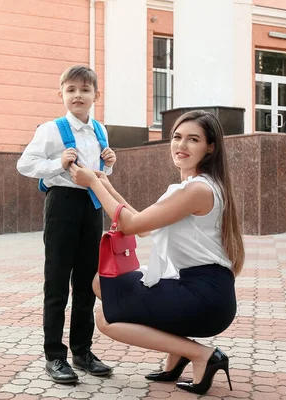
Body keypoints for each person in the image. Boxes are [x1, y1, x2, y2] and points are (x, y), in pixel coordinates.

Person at [68, 110, 245, 395]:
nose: (181, 145)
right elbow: (143, 228)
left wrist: (94, 184)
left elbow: (130, 223)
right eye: (177, 137)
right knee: (102, 282)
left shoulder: (196, 190)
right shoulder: (194, 187)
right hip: (200, 289)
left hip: (205, 299)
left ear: (209, 147)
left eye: (193, 139)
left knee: (107, 319)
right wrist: (109, 187)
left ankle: (202, 355)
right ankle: (176, 356)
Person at [16, 65, 116, 383]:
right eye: (71, 89)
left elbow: (98, 173)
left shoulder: (100, 130)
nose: (78, 95)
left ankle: (82, 352)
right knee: (57, 284)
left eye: (84, 90)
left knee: (86, 284)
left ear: (95, 95)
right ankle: (55, 357)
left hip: (92, 206)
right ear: (61, 94)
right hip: (62, 205)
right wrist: (56, 164)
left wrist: (108, 164)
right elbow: (26, 164)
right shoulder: (51, 129)